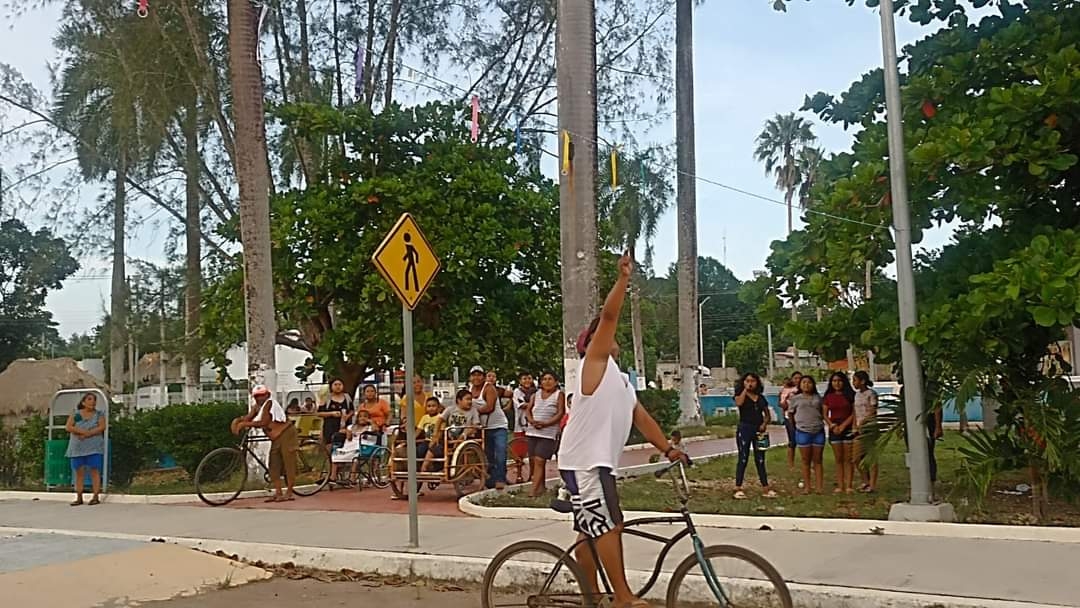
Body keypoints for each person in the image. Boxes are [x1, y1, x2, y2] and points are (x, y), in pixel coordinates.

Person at [558, 252, 686, 608]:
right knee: (610, 527)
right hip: (585, 463)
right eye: (602, 331)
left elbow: (642, 419)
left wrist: (668, 449)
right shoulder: (593, 363)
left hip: (591, 463)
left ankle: (593, 599)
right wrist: (623, 279)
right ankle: (623, 598)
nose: (611, 333)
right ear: (593, 341)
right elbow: (610, 315)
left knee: (589, 533)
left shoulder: (621, 381)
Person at [236, 384, 298, 502]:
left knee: (288, 461)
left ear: (267, 395)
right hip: (275, 437)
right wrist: (239, 421)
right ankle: (278, 492)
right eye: (257, 396)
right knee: (273, 463)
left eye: (262, 395)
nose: (260, 398)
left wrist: (245, 424)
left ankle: (289, 492)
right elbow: (248, 417)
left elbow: (263, 422)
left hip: (286, 433)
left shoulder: (270, 403)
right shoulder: (256, 407)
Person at [733, 372, 776, 499]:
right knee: (743, 457)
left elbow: (767, 414)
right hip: (745, 428)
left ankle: (765, 486)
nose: (750, 383)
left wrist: (764, 423)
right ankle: (738, 486)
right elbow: (739, 403)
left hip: (758, 430)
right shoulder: (740, 395)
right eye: (747, 381)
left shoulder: (761, 398)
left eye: (752, 381)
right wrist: (745, 391)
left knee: (760, 459)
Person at [525, 371, 566, 497]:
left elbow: (560, 413)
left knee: (540, 459)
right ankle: (540, 487)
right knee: (534, 460)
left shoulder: (559, 395)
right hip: (533, 431)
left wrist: (546, 423)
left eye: (550, 379)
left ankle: (532, 491)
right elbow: (528, 410)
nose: (547, 382)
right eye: (544, 379)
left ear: (556, 382)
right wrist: (531, 421)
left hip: (548, 433)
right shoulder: (536, 395)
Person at [471, 365, 510, 490]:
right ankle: (491, 479)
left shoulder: (489, 388)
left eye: (479, 375)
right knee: (488, 455)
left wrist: (474, 413)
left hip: (498, 425)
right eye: (474, 375)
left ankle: (500, 479)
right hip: (484, 428)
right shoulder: (469, 390)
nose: (476, 377)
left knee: (500, 453)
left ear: (483, 376)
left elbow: (490, 407)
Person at [65, 392, 106, 506]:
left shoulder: (98, 414)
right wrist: (81, 432)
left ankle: (96, 496)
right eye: (89, 399)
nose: (92, 402)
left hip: (94, 447)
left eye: (94, 400)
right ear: (83, 402)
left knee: (95, 470)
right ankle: (79, 497)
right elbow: (69, 426)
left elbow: (102, 426)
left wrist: (89, 434)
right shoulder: (77, 414)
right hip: (78, 447)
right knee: (79, 472)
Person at [788, 375, 825, 494]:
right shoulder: (795, 399)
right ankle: (807, 487)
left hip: (818, 431)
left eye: (809, 382)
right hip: (802, 431)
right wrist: (795, 426)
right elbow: (790, 414)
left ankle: (819, 487)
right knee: (805, 461)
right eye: (804, 382)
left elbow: (822, 412)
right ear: (800, 385)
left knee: (818, 460)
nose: (806, 385)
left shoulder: (818, 398)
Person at [823, 372, 857, 494]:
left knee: (848, 459)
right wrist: (831, 425)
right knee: (838, 459)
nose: (837, 383)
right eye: (834, 381)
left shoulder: (850, 395)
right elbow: (825, 414)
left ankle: (849, 485)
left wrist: (844, 425)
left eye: (839, 381)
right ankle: (840, 485)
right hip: (834, 428)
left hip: (847, 427)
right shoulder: (828, 396)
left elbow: (854, 412)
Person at [851, 370, 879, 492]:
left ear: (862, 381)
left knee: (871, 456)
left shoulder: (871, 394)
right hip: (858, 429)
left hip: (869, 428)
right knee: (856, 457)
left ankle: (872, 484)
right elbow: (854, 412)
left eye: (855, 380)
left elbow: (872, 410)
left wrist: (863, 423)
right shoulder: (856, 395)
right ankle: (865, 481)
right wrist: (855, 426)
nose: (853, 383)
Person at [316, 378, 354, 448]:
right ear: (331, 386)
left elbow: (352, 410)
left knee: (345, 445)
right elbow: (319, 413)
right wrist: (332, 413)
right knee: (330, 446)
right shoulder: (326, 398)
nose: (338, 386)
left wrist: (347, 416)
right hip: (330, 427)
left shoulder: (347, 397)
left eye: (340, 384)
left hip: (344, 427)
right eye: (335, 384)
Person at [778, 371, 803, 469]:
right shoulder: (785, 390)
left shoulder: (805, 389)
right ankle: (791, 464)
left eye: (799, 378)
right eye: (795, 378)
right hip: (790, 418)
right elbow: (781, 403)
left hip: (803, 418)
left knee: (805, 441)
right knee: (792, 441)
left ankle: (807, 463)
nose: (797, 380)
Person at [511, 371, 538, 460]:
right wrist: (534, 404)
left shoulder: (536, 392)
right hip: (520, 424)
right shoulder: (517, 392)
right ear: (520, 381)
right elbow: (521, 405)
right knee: (519, 451)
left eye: (529, 378)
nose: (527, 381)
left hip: (533, 424)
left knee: (533, 451)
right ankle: (519, 472)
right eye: (524, 379)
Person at [417, 396, 446, 473]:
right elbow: (418, 430)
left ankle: (432, 467)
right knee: (419, 450)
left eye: (433, 406)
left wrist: (434, 440)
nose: (431, 408)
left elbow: (441, 432)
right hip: (426, 440)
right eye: (429, 406)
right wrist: (409, 440)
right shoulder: (424, 418)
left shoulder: (440, 418)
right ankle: (419, 467)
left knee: (434, 450)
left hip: (437, 441)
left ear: (438, 407)